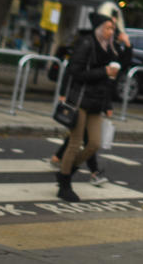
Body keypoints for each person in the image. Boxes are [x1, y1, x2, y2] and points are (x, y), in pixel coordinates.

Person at [54, 11, 129, 202]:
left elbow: (124, 66)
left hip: (96, 103)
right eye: (108, 28)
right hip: (79, 100)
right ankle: (64, 184)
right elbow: (75, 71)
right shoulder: (87, 43)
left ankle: (67, 171)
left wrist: (128, 46)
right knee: (75, 142)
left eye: (113, 28)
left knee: (94, 143)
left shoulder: (110, 47)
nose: (111, 31)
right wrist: (103, 71)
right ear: (99, 29)